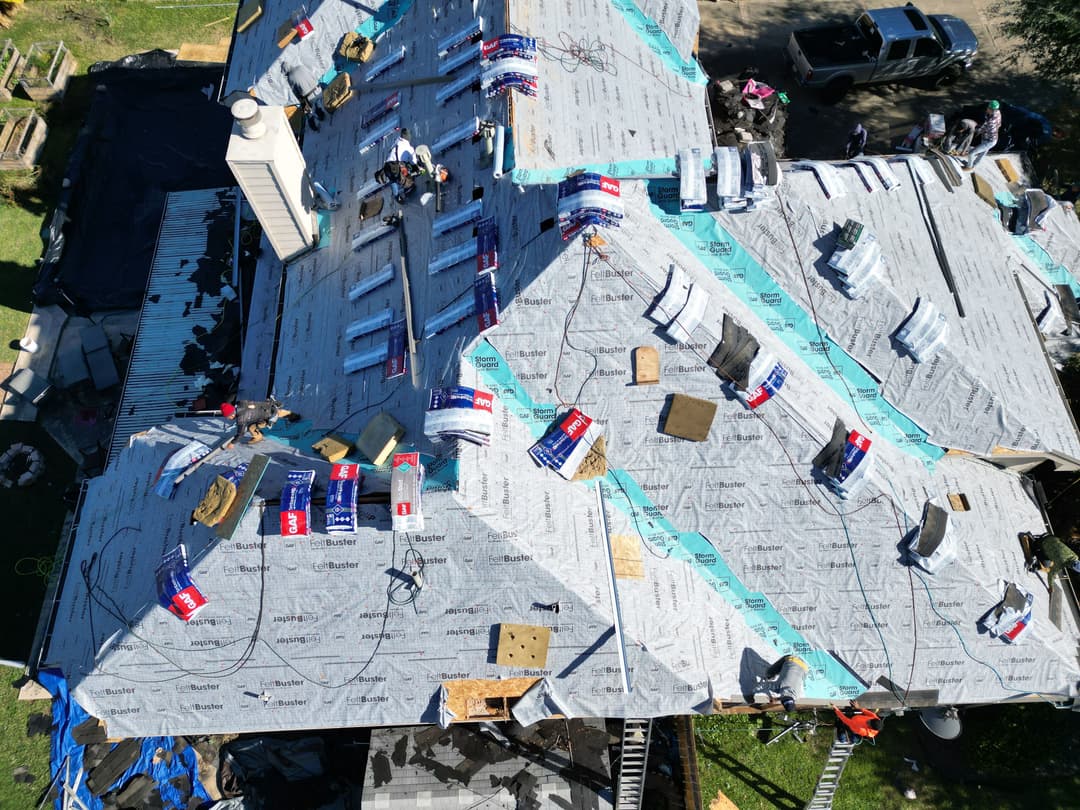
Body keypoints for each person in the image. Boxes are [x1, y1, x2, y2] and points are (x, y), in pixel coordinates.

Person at [221, 398, 297, 448]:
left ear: (232, 414)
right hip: (269, 407)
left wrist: (232, 443)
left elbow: (241, 433)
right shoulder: (241, 403)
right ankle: (293, 415)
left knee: (251, 428)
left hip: (268, 418)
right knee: (278, 412)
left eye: (228, 417)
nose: (228, 418)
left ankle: (258, 438)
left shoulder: (241, 418)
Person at [376, 128, 418, 203]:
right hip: (396, 168)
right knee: (404, 177)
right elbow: (413, 162)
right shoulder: (409, 148)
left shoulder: (396, 142)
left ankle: (397, 197)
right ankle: (408, 188)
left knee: (392, 179)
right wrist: (416, 169)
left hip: (387, 166)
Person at [286, 63, 326, 133]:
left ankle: (314, 125)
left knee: (308, 110)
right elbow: (312, 75)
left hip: (308, 96)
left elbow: (295, 91)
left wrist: (300, 100)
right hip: (317, 89)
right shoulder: (301, 67)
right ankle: (321, 115)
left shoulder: (290, 77)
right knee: (317, 103)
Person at [963, 100, 1002, 170]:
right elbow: (999, 124)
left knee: (971, 153)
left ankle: (969, 167)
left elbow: (984, 128)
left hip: (989, 141)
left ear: (991, 110)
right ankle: (973, 165)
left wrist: (976, 130)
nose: (987, 109)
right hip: (991, 138)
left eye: (988, 108)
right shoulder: (998, 112)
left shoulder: (991, 122)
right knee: (982, 153)